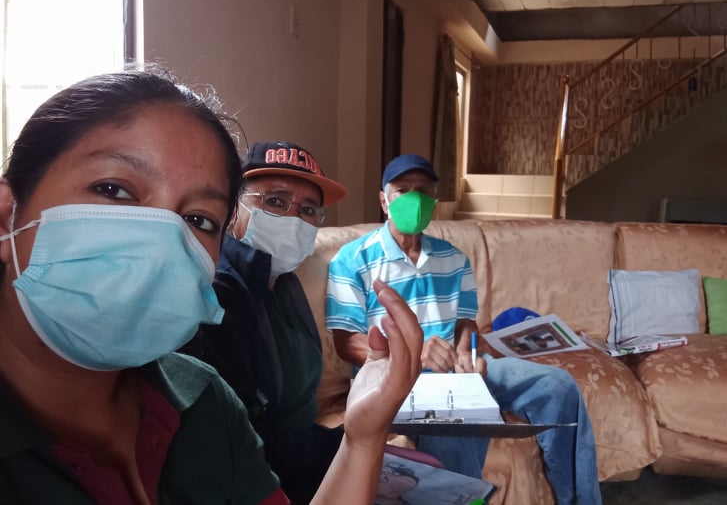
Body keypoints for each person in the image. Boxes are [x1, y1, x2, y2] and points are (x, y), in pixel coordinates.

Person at [0, 67, 423, 504]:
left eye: (197, 219)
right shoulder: (225, 305)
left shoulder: (203, 399)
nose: (161, 243)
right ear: (6, 214)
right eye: (114, 190)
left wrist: (363, 438)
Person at [325, 153, 602, 505]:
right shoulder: (352, 259)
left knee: (557, 385)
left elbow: (465, 323)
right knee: (455, 420)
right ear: (384, 200)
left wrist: (465, 352)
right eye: (403, 190)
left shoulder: (454, 258)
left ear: (434, 201)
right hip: (393, 376)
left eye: (423, 191)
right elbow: (346, 341)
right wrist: (410, 353)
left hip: (454, 370)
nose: (414, 199)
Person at [181, 140, 349, 503]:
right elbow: (249, 445)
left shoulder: (283, 282)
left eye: (308, 209)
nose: (294, 219)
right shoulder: (218, 297)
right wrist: (350, 445)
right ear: (233, 208)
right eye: (275, 201)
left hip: (307, 457)